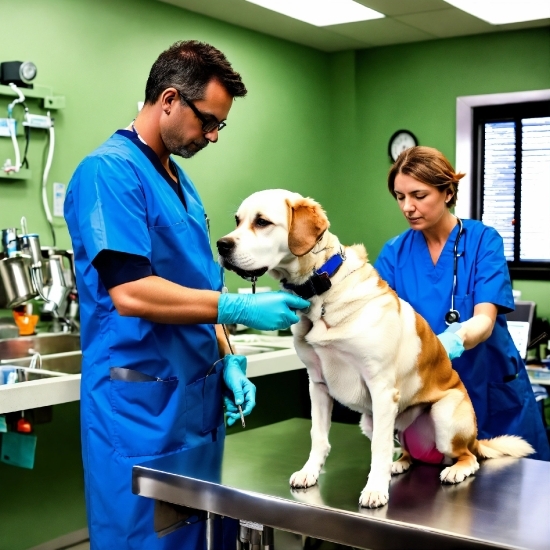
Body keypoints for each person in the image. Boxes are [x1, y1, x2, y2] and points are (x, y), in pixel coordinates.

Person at [64, 41, 309, 550]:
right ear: (170, 99)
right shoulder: (109, 173)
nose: (214, 135)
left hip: (195, 405)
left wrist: (230, 355)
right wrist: (240, 307)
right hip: (140, 411)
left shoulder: (181, 182)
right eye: (208, 121)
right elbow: (131, 292)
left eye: (221, 124)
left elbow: (201, 288)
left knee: (204, 539)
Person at [374, 146, 550, 462]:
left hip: (489, 388)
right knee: (437, 497)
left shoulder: (484, 241)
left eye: (418, 195)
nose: (408, 207)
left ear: (448, 191)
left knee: (515, 494)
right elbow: (382, 323)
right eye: (400, 197)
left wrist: (451, 340)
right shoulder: (394, 254)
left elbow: (484, 320)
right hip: (432, 396)